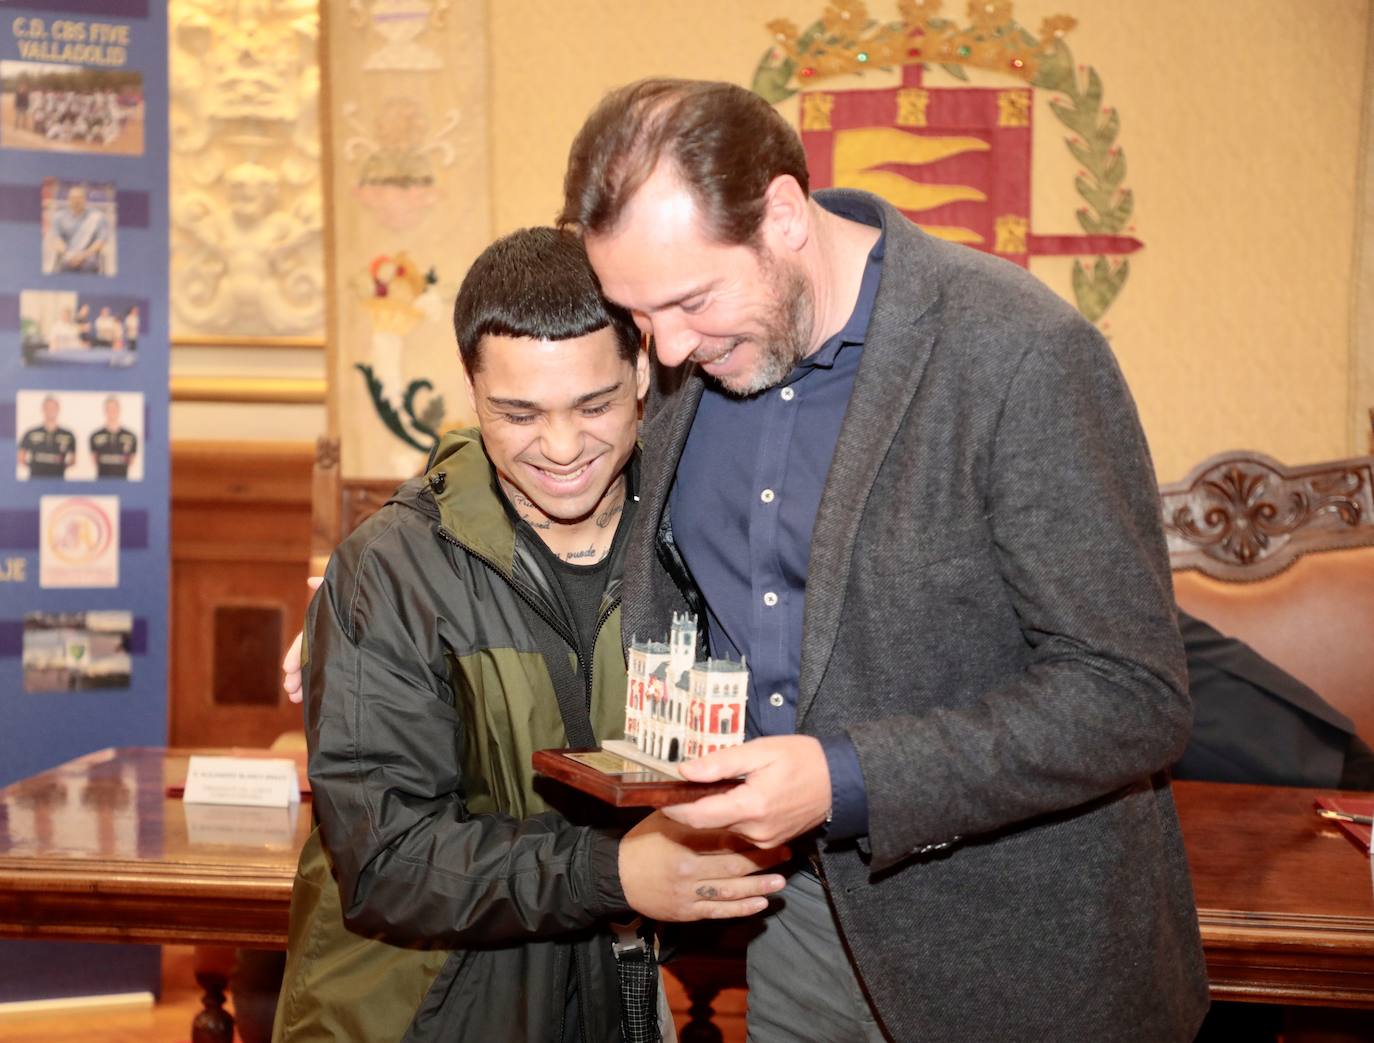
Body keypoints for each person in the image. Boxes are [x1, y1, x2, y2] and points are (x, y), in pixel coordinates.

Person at [560, 79, 1210, 1041]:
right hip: (802, 929)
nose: (666, 348)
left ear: (784, 215)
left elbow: (1132, 693)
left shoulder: (1019, 354)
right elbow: (550, 463)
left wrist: (845, 778)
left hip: (1023, 958)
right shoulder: (685, 359)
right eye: (638, 313)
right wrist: (368, 584)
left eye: (690, 301)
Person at [273, 227, 787, 1043]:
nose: (560, 447)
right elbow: (385, 860)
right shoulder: (390, 571)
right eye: (519, 412)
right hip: (421, 1013)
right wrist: (613, 870)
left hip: (611, 995)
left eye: (595, 404)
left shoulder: (700, 544)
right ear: (473, 391)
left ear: (645, 370)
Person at [49, 183, 109, 274]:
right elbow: (56, 239)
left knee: (88, 266)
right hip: (67, 255)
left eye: (79, 198)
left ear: (85, 199)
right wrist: (68, 254)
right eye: (73, 198)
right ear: (68, 199)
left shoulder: (98, 217)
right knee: (64, 266)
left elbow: (101, 241)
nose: (76, 201)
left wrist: (83, 256)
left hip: (89, 257)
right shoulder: (58, 217)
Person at [18, 395, 76, 479]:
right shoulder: (31, 433)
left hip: (58, 480)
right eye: (47, 408)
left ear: (58, 409)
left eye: (53, 408)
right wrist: (35, 467)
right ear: (42, 409)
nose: (50, 411)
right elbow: (21, 458)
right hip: (35, 479)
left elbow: (73, 460)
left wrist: (59, 467)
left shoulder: (68, 434)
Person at [89, 396, 137, 479]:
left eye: (114, 408)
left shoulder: (130, 436)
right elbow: (94, 460)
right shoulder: (95, 435)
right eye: (109, 408)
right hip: (102, 481)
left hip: (123, 481)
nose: (112, 411)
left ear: (119, 410)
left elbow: (131, 461)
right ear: (105, 411)